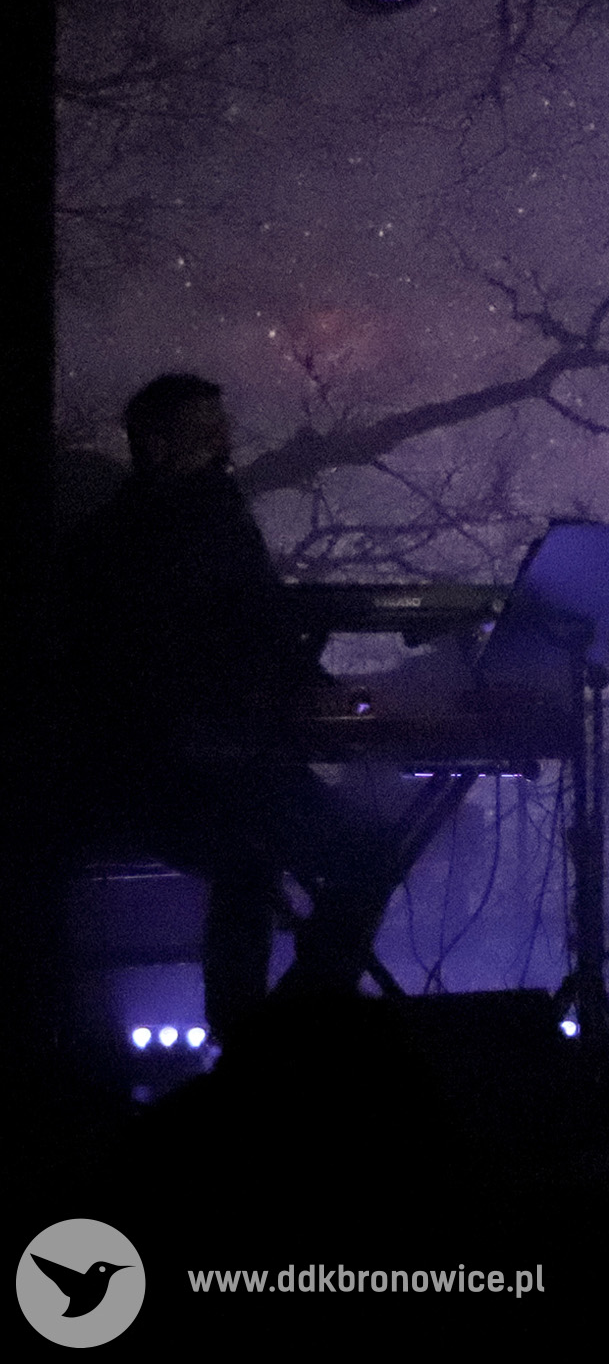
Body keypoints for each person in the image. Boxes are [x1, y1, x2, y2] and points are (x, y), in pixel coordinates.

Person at [59, 373, 397, 1030]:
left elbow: (256, 632)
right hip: (174, 779)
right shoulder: (158, 534)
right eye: (206, 432)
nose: (223, 445)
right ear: (157, 445)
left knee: (291, 856)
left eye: (221, 430)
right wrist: (322, 703)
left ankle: (260, 1034)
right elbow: (238, 640)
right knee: (327, 855)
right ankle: (285, 1027)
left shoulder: (184, 522)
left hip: (218, 770)